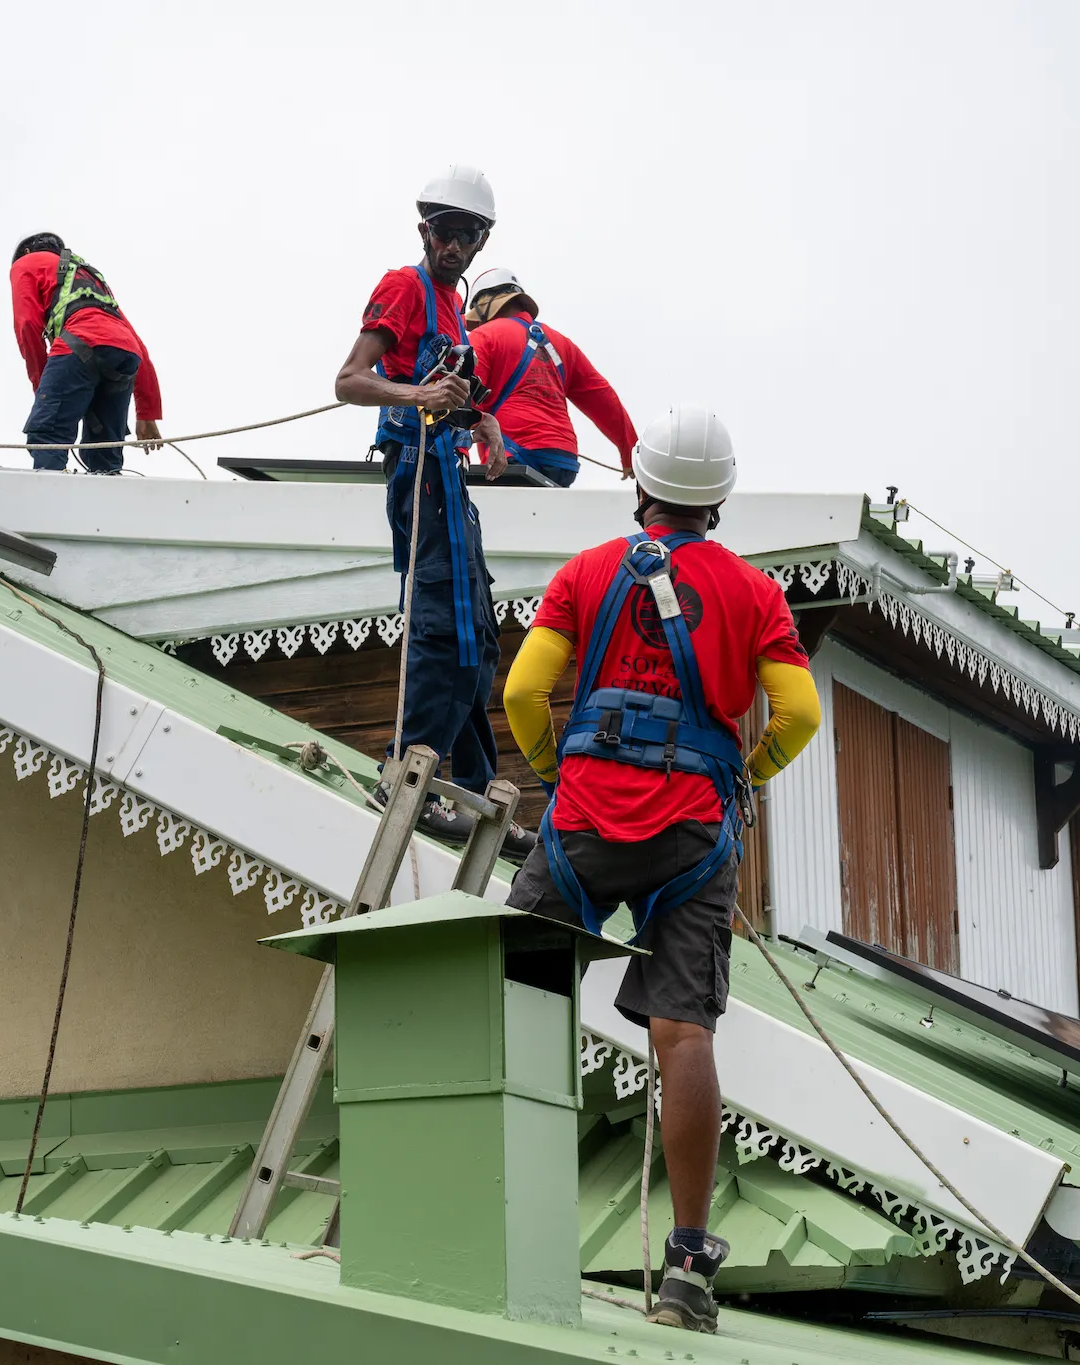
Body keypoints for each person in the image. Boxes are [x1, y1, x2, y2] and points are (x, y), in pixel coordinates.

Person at [499, 405, 821, 1333]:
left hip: (583, 819)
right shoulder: (754, 593)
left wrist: (558, 769)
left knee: (520, 993)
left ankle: (490, 1200)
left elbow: (524, 690)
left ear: (640, 485)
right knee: (683, 1037)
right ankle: (685, 1271)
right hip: (693, 830)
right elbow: (795, 713)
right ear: (718, 501)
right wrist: (746, 776)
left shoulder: (589, 571)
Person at [332, 167, 534, 854]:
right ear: (425, 232)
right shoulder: (404, 286)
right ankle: (405, 773)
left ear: (482, 241)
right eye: (443, 231)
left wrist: (481, 418)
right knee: (443, 626)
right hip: (416, 476)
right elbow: (349, 380)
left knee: (477, 633)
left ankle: (475, 792)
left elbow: (448, 390)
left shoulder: (453, 306)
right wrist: (418, 398)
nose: (453, 245)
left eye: (466, 234)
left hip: (447, 474)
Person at [463, 267, 637, 487]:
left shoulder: (484, 337)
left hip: (510, 459)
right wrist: (629, 450)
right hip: (563, 461)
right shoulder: (562, 344)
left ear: (484, 305)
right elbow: (602, 397)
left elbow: (463, 397)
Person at [9, 233, 163, 474]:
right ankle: (106, 498)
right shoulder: (88, 278)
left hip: (77, 343)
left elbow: (27, 323)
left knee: (48, 434)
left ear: (26, 252)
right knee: (103, 449)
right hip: (124, 355)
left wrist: (42, 388)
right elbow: (137, 345)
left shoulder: (26, 263)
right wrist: (147, 413)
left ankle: (48, 498)